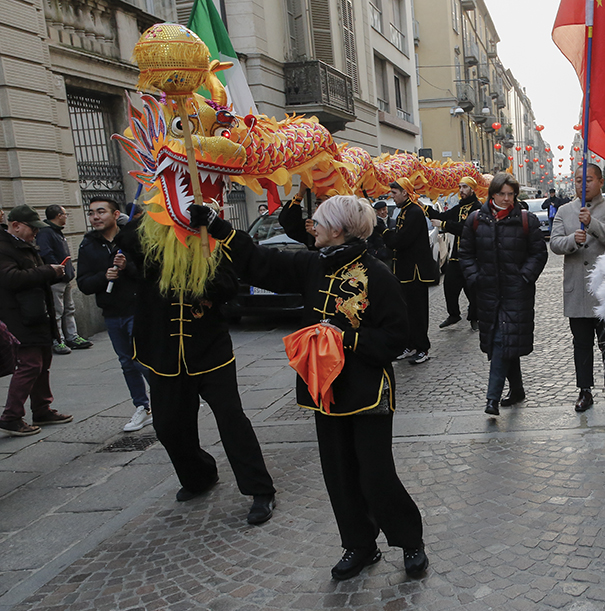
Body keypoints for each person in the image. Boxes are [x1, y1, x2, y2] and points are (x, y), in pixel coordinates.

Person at [194, 196, 428, 579]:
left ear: (337, 229)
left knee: (376, 475)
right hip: (324, 390)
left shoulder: (377, 274)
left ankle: (409, 540)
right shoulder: (311, 265)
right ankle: (359, 544)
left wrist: (346, 339)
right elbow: (260, 264)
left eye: (317, 221)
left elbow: (395, 336)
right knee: (337, 472)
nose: (312, 227)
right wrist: (219, 227)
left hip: (367, 392)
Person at [119, 204, 277, 525]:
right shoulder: (150, 246)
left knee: (232, 421)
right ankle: (199, 476)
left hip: (209, 351)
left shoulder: (211, 242)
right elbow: (127, 239)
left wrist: (201, 277)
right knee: (168, 426)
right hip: (163, 354)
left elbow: (230, 285)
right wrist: (162, 209)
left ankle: (260, 490)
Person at [459, 172, 547, 415]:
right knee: (505, 340)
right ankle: (517, 390)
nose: (507, 199)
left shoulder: (526, 219)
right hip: (487, 292)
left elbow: (539, 254)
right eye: (502, 194)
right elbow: (465, 254)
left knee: (500, 340)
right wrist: (475, 278)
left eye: (511, 194)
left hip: (516, 292)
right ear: (493, 194)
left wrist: (524, 277)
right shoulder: (476, 219)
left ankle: (492, 399)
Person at [549, 163, 605, 412]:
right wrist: (573, 239)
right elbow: (555, 243)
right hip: (578, 290)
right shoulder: (564, 210)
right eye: (577, 180)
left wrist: (592, 224)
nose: (582, 185)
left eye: (588, 180)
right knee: (581, 344)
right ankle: (584, 391)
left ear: (601, 181)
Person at [76, 198, 153, 433]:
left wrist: (128, 265)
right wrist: (104, 277)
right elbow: (83, 283)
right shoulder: (88, 245)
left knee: (143, 360)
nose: (95, 217)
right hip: (111, 313)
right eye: (91, 213)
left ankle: (166, 399)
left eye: (101, 212)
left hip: (136, 309)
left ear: (115, 214)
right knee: (126, 363)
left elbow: (149, 273)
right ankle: (143, 406)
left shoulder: (132, 238)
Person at [0, 205, 72, 436]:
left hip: (37, 313)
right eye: (32, 228)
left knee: (43, 363)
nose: (35, 233)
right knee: (30, 365)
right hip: (18, 316)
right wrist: (48, 272)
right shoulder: (4, 247)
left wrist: (51, 273)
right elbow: (11, 278)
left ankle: (42, 408)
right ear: (16, 226)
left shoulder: (26, 245)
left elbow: (32, 276)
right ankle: (11, 416)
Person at [385, 179, 435, 365]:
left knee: (418, 311)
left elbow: (401, 240)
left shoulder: (414, 212)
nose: (392, 196)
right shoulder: (403, 211)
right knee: (406, 311)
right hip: (404, 271)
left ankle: (422, 348)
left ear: (405, 193)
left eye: (395, 192)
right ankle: (410, 344)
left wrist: (384, 233)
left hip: (415, 272)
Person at [37, 205, 92, 355]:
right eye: (65, 214)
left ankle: (72, 337)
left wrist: (69, 271)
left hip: (65, 278)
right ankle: (58, 340)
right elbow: (46, 252)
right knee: (57, 311)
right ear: (58, 215)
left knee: (69, 309)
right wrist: (58, 269)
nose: (66, 216)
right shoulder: (46, 232)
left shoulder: (56, 232)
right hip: (56, 279)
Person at [428, 177, 480, 330]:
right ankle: (454, 314)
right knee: (449, 286)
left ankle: (475, 318)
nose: (461, 190)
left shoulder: (477, 208)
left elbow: (465, 228)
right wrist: (425, 209)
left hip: (472, 256)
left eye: (465, 187)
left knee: (472, 289)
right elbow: (443, 216)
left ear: (472, 189)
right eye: (460, 187)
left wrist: (444, 225)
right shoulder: (459, 207)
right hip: (456, 256)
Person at [279, 183, 317, 249]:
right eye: (317, 203)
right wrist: (300, 195)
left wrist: (318, 235)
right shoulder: (313, 225)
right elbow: (289, 223)